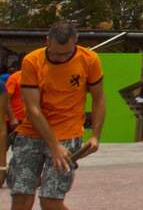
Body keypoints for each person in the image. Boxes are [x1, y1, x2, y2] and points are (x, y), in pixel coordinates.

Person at [10, 21, 105, 210]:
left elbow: (99, 99)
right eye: (55, 53)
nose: (61, 58)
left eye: (66, 54)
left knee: (50, 201)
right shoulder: (32, 61)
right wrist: (53, 145)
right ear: (47, 41)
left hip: (68, 135)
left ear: (76, 42)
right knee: (21, 196)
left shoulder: (89, 60)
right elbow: (32, 109)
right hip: (31, 134)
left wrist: (95, 135)